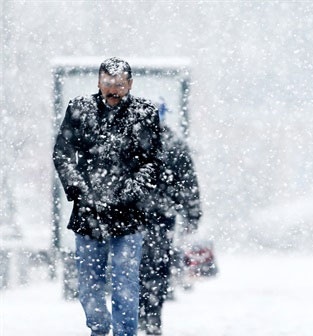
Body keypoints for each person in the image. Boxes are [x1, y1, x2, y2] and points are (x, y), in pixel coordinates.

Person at [52, 57, 161, 336]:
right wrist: (77, 187)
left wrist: (131, 191)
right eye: (108, 84)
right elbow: (62, 153)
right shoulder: (79, 110)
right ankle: (99, 329)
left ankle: (125, 333)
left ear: (130, 84)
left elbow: (153, 162)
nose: (113, 90)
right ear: (99, 82)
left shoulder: (145, 114)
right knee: (89, 286)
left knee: (126, 285)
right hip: (88, 213)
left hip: (129, 214)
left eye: (120, 84)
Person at [138, 104, 202, 336]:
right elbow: (188, 184)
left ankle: (139, 313)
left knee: (133, 267)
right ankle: (153, 314)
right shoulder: (174, 144)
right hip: (162, 217)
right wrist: (192, 214)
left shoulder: (131, 141)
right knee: (157, 267)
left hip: (132, 217)